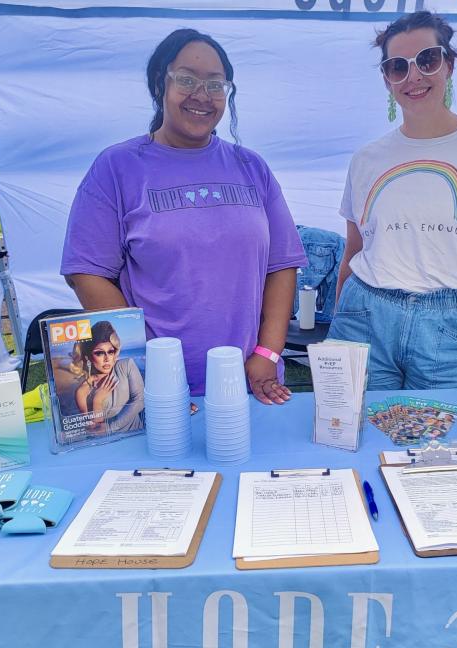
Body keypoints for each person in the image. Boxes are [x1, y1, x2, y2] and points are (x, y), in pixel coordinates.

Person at [61, 29, 306, 404]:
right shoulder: (118, 167)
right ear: (160, 83)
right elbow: (86, 272)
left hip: (248, 383)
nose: (201, 95)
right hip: (155, 392)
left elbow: (282, 265)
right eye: (187, 80)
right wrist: (147, 363)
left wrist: (267, 354)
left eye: (215, 84)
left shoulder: (251, 167)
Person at [329, 11, 457, 390]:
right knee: (351, 439)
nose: (413, 76)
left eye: (427, 60)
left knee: (438, 446)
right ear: (386, 78)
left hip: (446, 322)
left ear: (448, 65)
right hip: (363, 315)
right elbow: (354, 250)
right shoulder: (365, 160)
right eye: (397, 66)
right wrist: (339, 320)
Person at [70, 320, 144, 434]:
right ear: (88, 357)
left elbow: (140, 400)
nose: (107, 358)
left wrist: (111, 427)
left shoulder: (126, 366)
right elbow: (95, 430)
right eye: (99, 353)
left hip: (137, 435)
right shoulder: (82, 391)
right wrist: (97, 400)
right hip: (107, 443)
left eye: (110, 352)